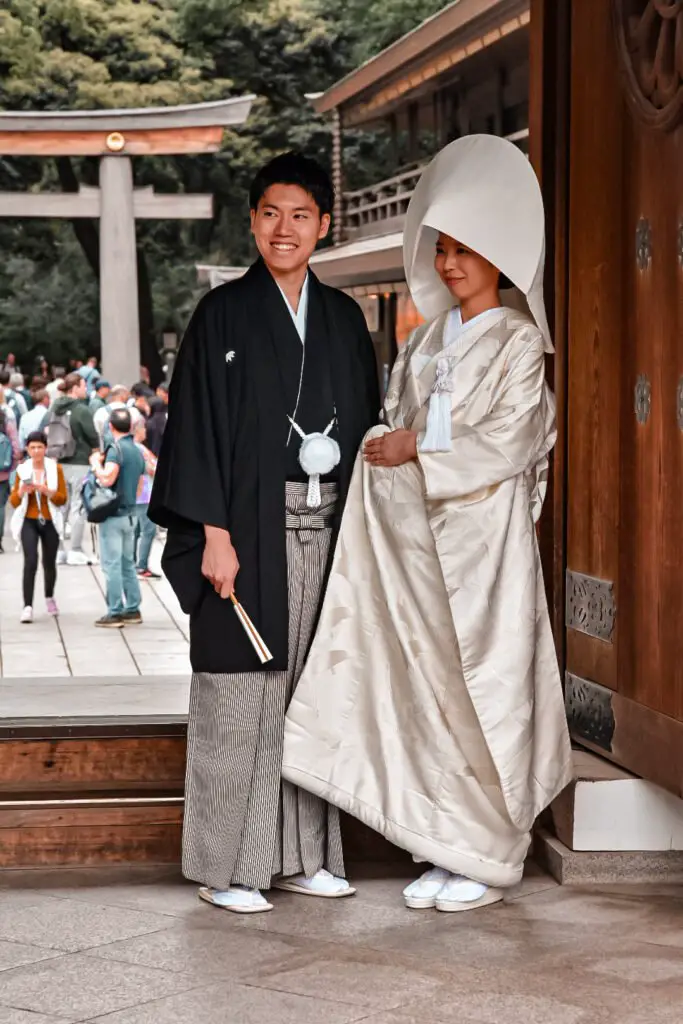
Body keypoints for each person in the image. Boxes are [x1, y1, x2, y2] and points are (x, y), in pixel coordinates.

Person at [283, 135, 573, 914]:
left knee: (486, 688)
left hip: (483, 552)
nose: (448, 265)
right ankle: (442, 843)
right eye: (440, 249)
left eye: (465, 251)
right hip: (415, 547)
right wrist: (385, 441)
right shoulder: (420, 341)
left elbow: (513, 439)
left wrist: (415, 447)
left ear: (498, 257)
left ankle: (487, 852)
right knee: (424, 688)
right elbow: (392, 423)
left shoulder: (519, 344)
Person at [149, 151, 380, 915]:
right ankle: (227, 868)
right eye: (271, 213)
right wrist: (212, 533)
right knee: (239, 694)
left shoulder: (344, 320)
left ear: (323, 226)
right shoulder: (222, 315)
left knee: (313, 694)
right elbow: (197, 432)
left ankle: (307, 856)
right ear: (252, 221)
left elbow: (368, 428)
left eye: (301, 215)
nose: (285, 229)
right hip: (244, 529)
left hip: (330, 526)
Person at [89, 407, 145, 628]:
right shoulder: (136, 449)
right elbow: (140, 484)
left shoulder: (116, 449)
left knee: (111, 565)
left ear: (110, 427)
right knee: (127, 564)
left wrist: (95, 465)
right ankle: (133, 608)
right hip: (131, 514)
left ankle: (114, 611)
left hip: (114, 515)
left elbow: (107, 479)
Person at [10, 430, 67, 623]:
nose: (36, 451)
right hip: (29, 519)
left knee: (49, 562)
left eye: (40, 447)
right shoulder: (23, 470)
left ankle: (49, 596)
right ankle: (27, 606)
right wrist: (20, 492)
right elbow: (14, 502)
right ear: (27, 449)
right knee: (31, 561)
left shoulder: (55, 469)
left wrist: (47, 491)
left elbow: (62, 498)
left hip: (49, 519)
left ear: (45, 448)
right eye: (32, 447)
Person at [48, 372, 99, 566]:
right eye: (83, 386)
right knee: (79, 506)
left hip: (59, 460)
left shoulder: (55, 407)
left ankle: (60, 550)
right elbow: (92, 435)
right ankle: (76, 549)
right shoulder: (81, 410)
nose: (85, 389)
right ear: (74, 388)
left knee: (62, 506)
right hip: (79, 461)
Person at [132, 416, 159, 579]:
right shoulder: (140, 449)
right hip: (144, 495)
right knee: (148, 530)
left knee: (136, 531)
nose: (146, 433)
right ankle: (141, 565)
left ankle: (134, 562)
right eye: (143, 429)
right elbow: (151, 469)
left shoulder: (132, 447)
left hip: (136, 494)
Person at [0, 400, 22, 554]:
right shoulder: (4, 417)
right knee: (0, 506)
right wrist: (14, 463)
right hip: (2, 471)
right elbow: (14, 442)